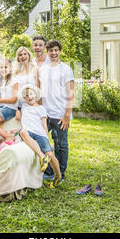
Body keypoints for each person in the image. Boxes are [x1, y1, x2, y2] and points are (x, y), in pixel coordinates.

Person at [39, 40, 75, 182]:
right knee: (43, 143)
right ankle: (48, 172)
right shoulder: (43, 69)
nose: (53, 53)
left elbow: (71, 93)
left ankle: (61, 174)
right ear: (47, 52)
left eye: (56, 50)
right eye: (51, 51)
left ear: (60, 51)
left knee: (61, 145)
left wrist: (66, 115)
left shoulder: (66, 69)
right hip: (45, 114)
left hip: (60, 114)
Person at [18, 85, 62, 188]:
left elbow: (44, 125)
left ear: (36, 95)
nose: (29, 97)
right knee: (23, 132)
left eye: (31, 94)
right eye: (27, 95)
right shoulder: (24, 106)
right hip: (29, 133)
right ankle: (42, 157)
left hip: (40, 134)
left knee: (50, 155)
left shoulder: (41, 109)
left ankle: (58, 176)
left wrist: (47, 139)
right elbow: (16, 106)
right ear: (24, 98)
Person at [13, 46, 40, 121]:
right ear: (18, 58)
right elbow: (16, 93)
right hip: (21, 106)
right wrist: (17, 109)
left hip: (33, 105)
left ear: (29, 55)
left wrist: (37, 106)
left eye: (25, 54)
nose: (23, 56)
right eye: (20, 55)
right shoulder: (16, 73)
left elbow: (38, 89)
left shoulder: (35, 69)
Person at [0, 57, 18, 123]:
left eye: (5, 67)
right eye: (1, 67)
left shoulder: (15, 81)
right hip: (0, 107)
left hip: (10, 108)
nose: (3, 69)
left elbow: (14, 100)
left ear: (10, 68)